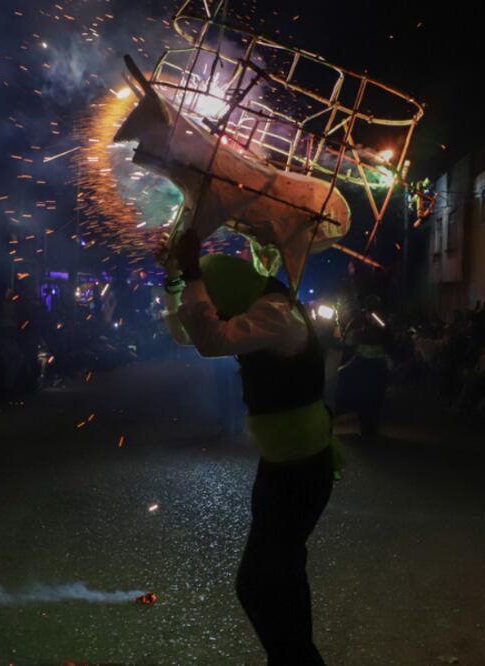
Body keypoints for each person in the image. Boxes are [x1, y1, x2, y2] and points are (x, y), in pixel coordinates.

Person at [164, 229, 336, 665]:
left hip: (299, 467)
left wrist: (189, 270)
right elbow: (190, 332)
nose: (214, 309)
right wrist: (175, 282)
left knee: (258, 584)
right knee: (283, 578)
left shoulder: (276, 315)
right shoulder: (257, 305)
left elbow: (210, 339)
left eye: (216, 299)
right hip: (283, 461)